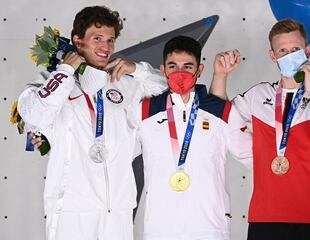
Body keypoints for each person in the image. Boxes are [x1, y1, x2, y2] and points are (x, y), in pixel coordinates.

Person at [18, 6, 167, 240]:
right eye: (97, 39)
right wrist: (66, 71)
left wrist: (136, 69)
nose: (106, 47)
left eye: (110, 40)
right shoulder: (49, 82)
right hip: (71, 208)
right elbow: (34, 114)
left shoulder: (124, 83)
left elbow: (167, 92)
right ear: (78, 43)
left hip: (118, 208)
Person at [211, 19, 310, 240]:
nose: (289, 55)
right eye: (282, 51)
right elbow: (219, 118)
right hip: (265, 216)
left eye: (295, 49)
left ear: (307, 50)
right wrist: (220, 75)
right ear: (272, 56)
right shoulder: (259, 95)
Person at [133, 36, 252, 240]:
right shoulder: (144, 111)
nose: (180, 73)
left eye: (187, 67)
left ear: (200, 70)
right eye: (173, 66)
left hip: (210, 227)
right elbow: (118, 154)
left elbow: (254, 156)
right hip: (160, 227)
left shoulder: (221, 111)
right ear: (163, 70)